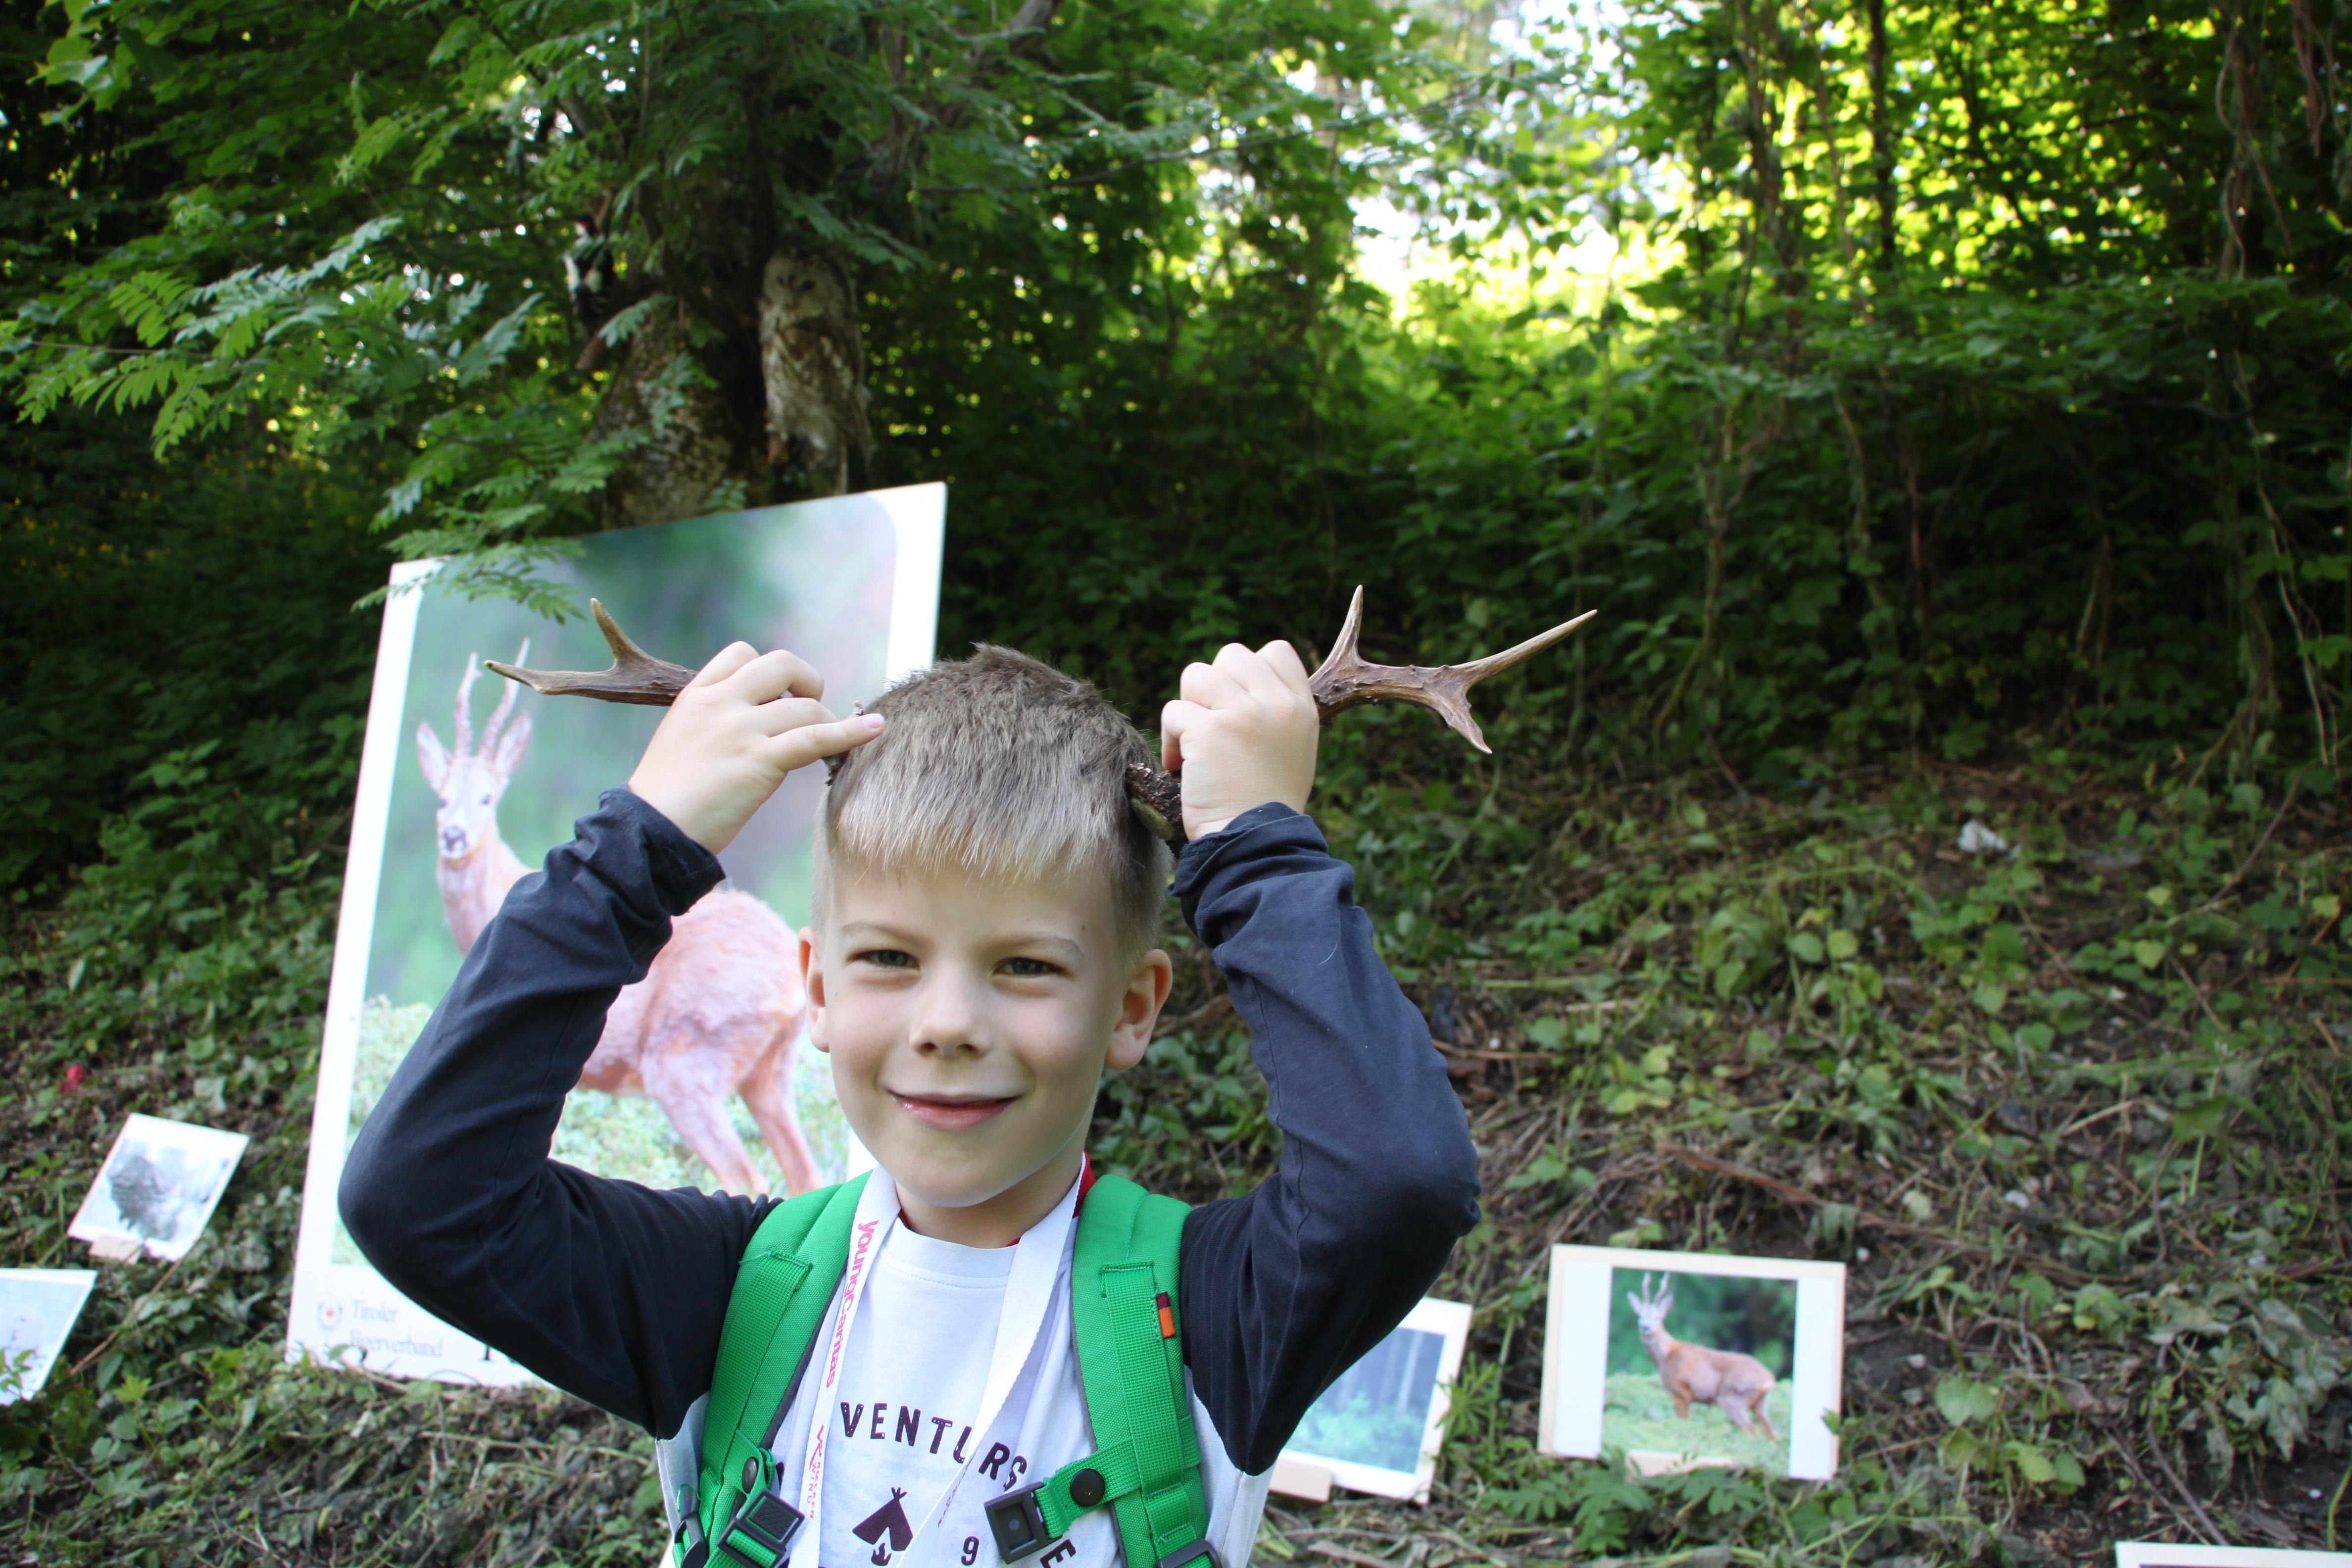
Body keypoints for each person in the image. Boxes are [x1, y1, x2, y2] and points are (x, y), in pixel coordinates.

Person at [341, 636, 1481, 1568]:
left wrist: (1256, 853)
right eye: (888, 958)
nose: (947, 1023)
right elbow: (419, 1198)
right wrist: (633, 853)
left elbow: (1399, 1183)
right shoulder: (724, 1294)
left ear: (1131, 1010)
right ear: (816, 988)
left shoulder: (1211, 1313)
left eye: (1025, 966)